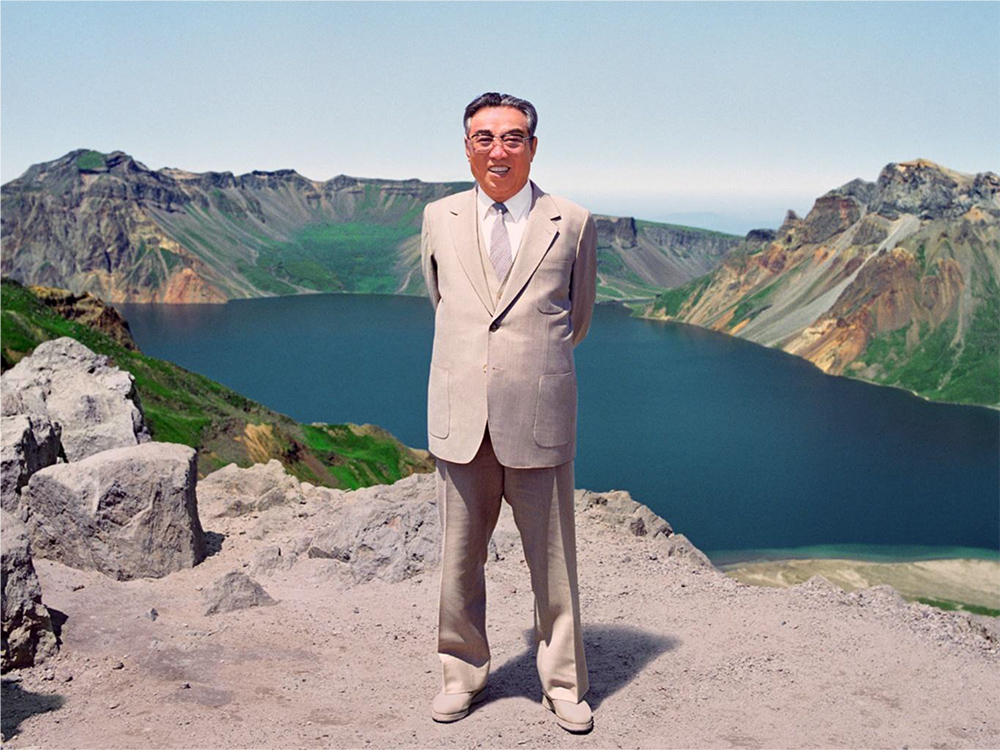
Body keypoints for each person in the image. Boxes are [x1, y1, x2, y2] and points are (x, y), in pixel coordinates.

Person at [420, 92, 598, 734]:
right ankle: (461, 675)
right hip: (461, 418)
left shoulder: (571, 221)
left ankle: (564, 684)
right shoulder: (437, 216)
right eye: (485, 137)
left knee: (554, 566)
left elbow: (576, 320)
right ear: (467, 147)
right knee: (458, 562)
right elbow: (442, 301)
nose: (499, 150)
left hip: (538, 418)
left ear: (533, 146)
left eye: (513, 137)